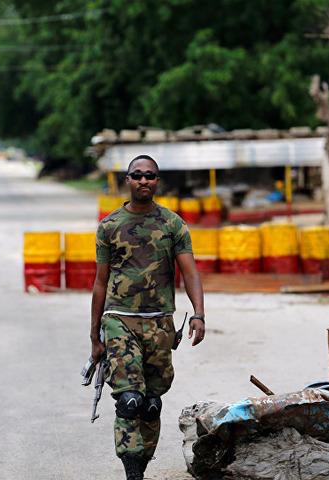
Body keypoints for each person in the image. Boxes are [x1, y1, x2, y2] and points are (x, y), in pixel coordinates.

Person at [90, 154, 206, 480]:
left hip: (159, 322)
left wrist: (198, 314)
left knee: (150, 403)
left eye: (150, 176)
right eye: (137, 175)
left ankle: (139, 464)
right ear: (127, 180)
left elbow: (190, 272)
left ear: (157, 181)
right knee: (129, 400)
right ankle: (132, 474)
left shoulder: (172, 224)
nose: (144, 181)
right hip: (118, 319)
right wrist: (94, 336)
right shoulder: (110, 226)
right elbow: (100, 283)